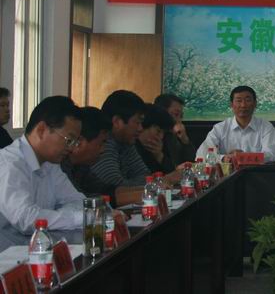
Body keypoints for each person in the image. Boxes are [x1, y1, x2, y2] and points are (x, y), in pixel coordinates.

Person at [0, 96, 85, 250]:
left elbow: (78, 201)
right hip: (7, 258)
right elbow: (26, 219)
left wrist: (60, 216)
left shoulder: (50, 164)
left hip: (38, 252)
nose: (72, 148)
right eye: (69, 140)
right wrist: (74, 218)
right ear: (41, 130)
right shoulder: (9, 164)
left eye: (75, 142)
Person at [92, 90, 181, 187]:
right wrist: (162, 180)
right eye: (137, 122)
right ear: (117, 121)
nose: (140, 128)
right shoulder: (102, 144)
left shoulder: (126, 143)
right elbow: (116, 187)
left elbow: (144, 175)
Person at [61, 106, 142, 207]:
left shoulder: (81, 167)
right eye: (102, 143)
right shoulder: (60, 168)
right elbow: (84, 201)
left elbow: (106, 190)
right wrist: (142, 195)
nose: (103, 150)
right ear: (79, 142)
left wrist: (146, 191)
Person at [196, 86, 275, 162]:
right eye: (239, 101)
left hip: (256, 172)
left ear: (255, 104)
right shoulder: (220, 128)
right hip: (227, 172)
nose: (243, 105)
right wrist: (224, 158)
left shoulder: (266, 127)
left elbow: (271, 154)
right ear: (231, 104)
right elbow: (201, 154)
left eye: (248, 100)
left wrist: (242, 157)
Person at [136, 103, 179, 173]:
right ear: (142, 127)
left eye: (163, 133)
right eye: (158, 131)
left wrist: (159, 156)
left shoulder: (163, 142)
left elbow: (173, 173)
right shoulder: (130, 145)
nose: (161, 137)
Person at [154, 93, 196, 165]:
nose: (179, 120)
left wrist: (185, 140)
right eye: (176, 114)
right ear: (161, 112)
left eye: (181, 116)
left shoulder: (176, 134)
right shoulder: (153, 135)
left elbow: (192, 161)